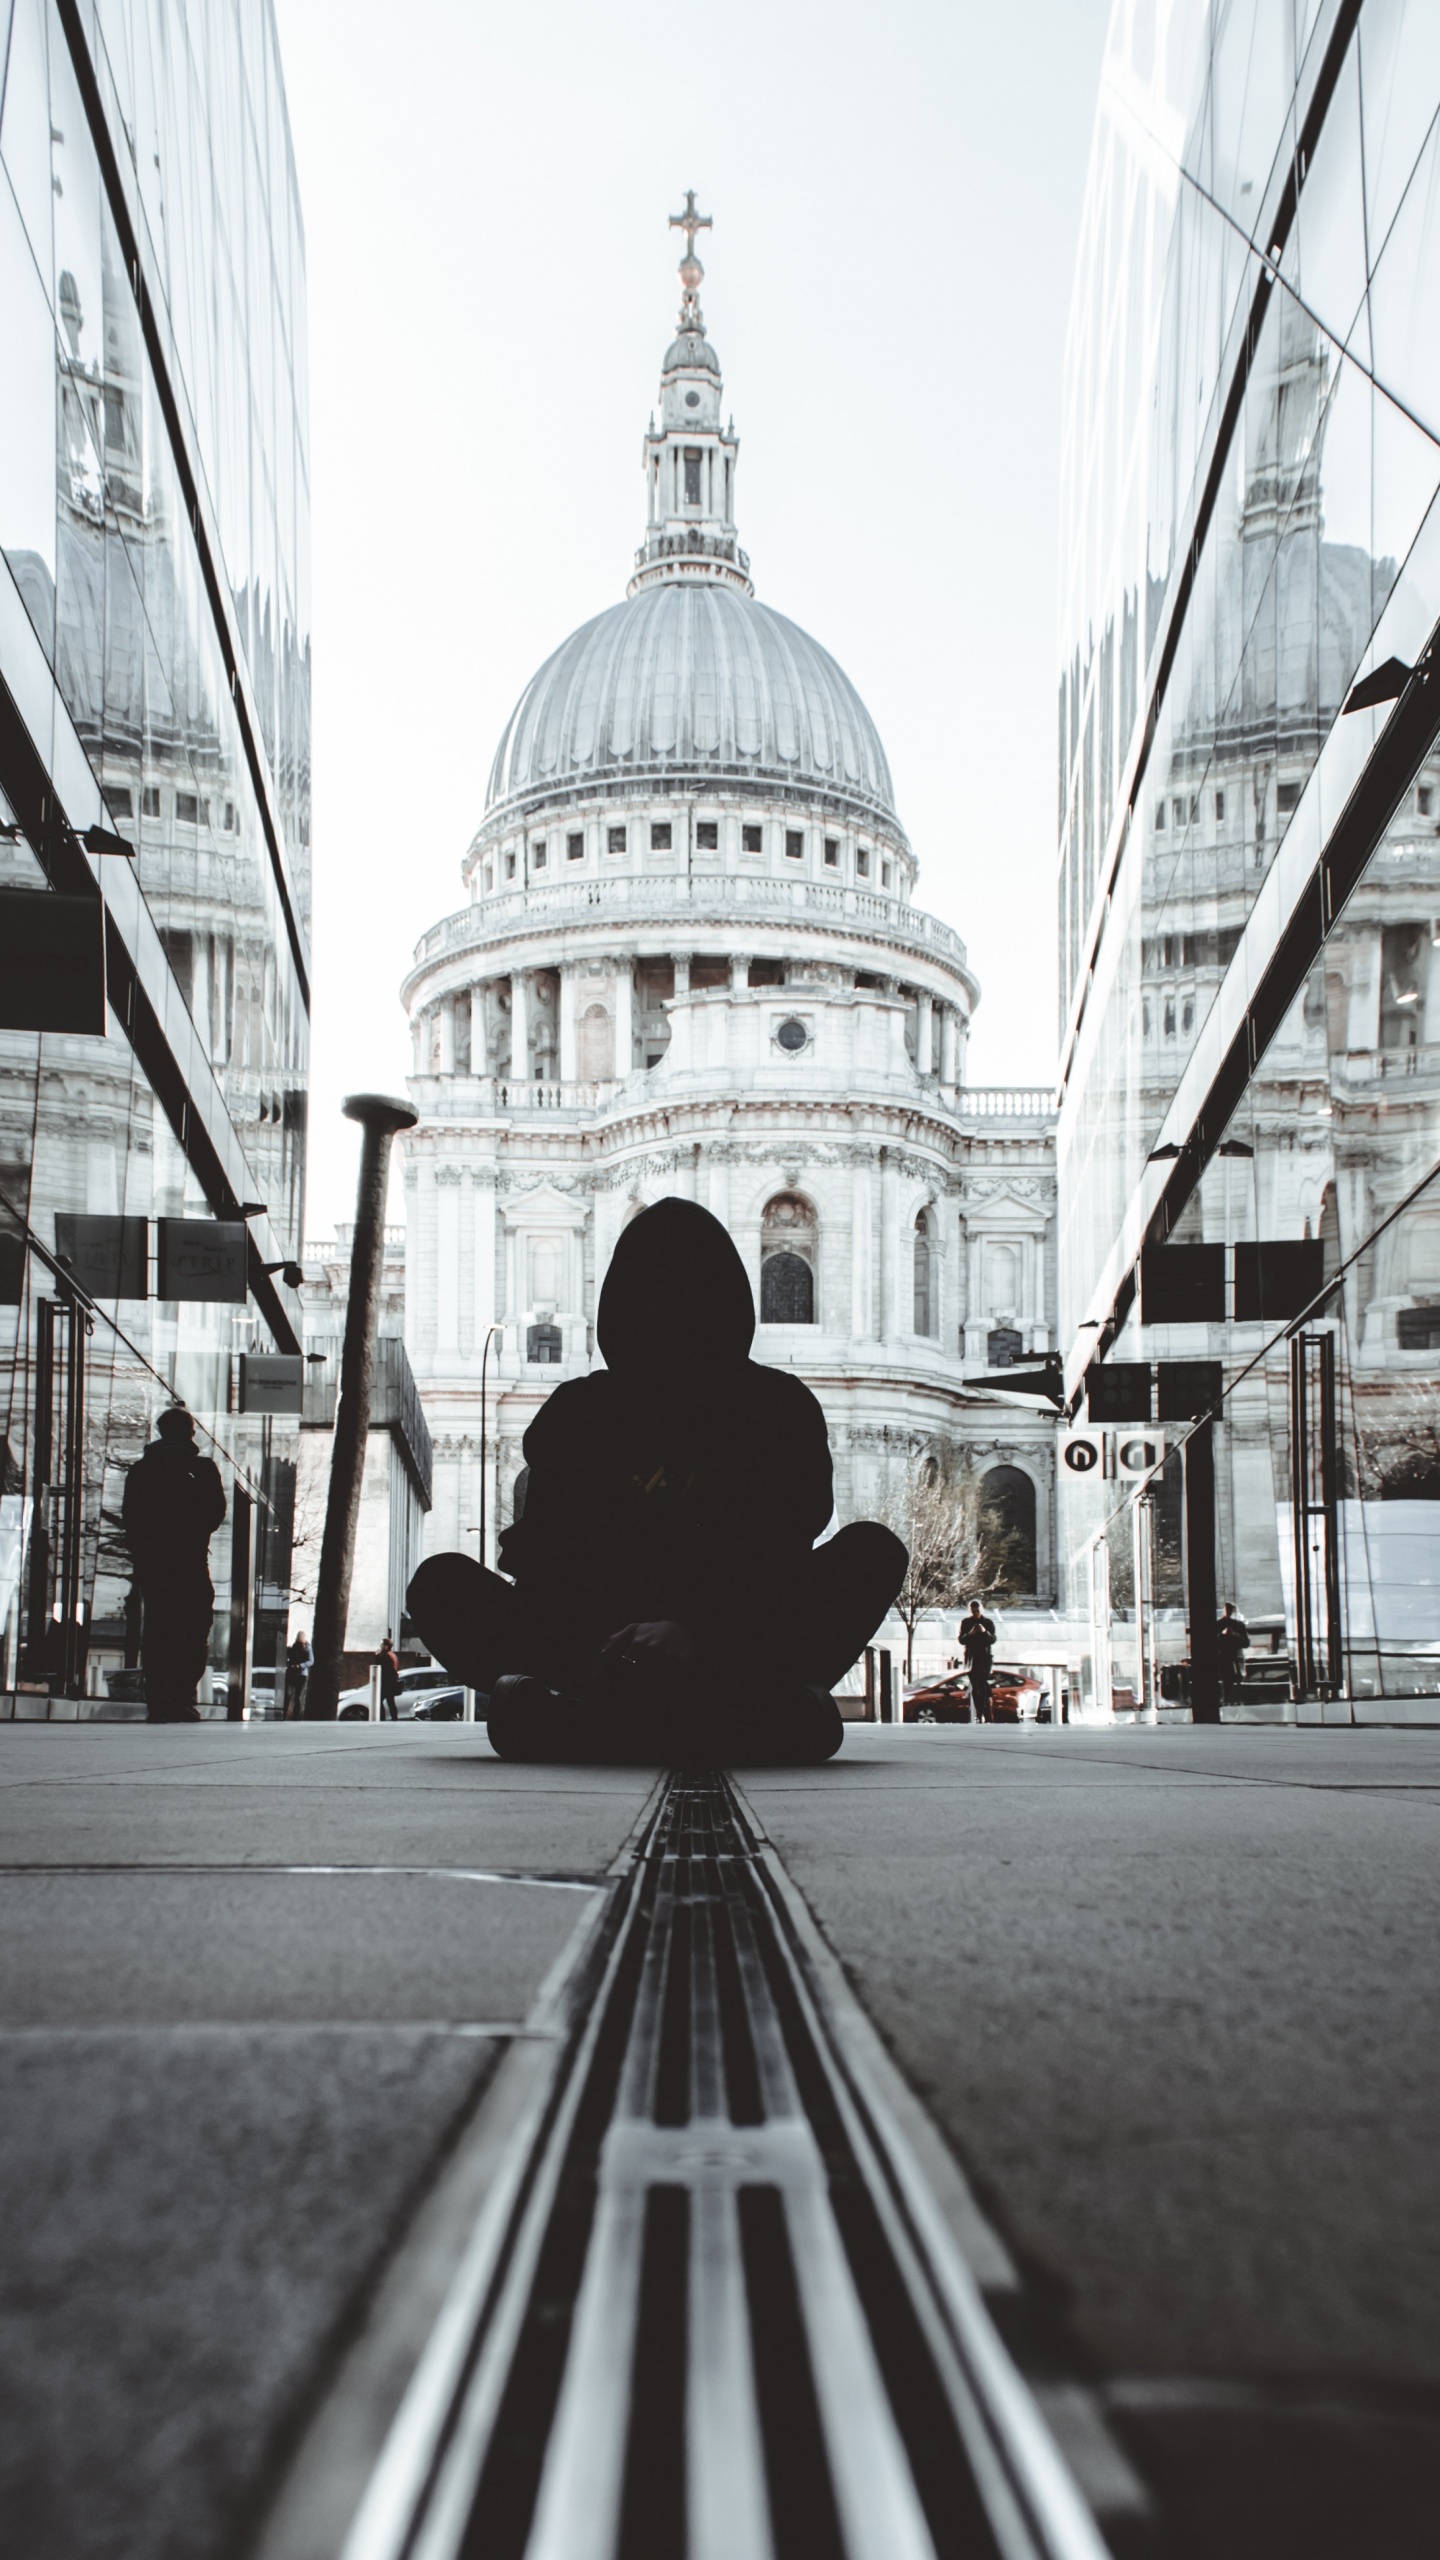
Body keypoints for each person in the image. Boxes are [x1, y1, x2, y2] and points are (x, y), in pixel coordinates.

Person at [407, 1197, 907, 1764]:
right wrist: (642, 1635)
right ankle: (744, 1723)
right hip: (673, 1658)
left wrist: (694, 1632)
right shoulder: (773, 1404)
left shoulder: (600, 1408)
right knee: (439, 1582)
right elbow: (550, 1556)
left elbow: (541, 1557)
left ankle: (586, 1724)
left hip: (671, 1653)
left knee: (872, 1550)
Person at [121, 1408, 227, 1723]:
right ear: (189, 1433)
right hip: (189, 1563)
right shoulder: (202, 1468)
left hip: (154, 1567)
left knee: (157, 1630)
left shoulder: (141, 1470)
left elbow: (131, 1517)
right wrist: (191, 1534)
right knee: (194, 1629)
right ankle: (181, 1696)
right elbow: (215, 1513)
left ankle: (159, 1699)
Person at [959, 1599, 997, 1722]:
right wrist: (971, 1633)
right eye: (973, 1611)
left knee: (983, 1686)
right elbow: (961, 1640)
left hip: (984, 1659)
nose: (976, 1613)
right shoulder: (966, 1622)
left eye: (977, 1611)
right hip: (972, 1659)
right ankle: (979, 1714)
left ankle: (981, 1713)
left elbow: (993, 1639)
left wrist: (984, 1631)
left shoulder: (988, 1622)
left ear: (981, 1610)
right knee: (975, 1687)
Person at [1217, 1603, 1250, 1706]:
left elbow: (1245, 1643)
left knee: (1230, 1685)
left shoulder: (1237, 1625)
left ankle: (1230, 1701)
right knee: (1230, 1685)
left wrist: (1233, 1636)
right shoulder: (1220, 1625)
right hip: (1227, 1661)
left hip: (1229, 1660)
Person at [284, 1630, 312, 1719]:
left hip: (301, 1674)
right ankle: (285, 1715)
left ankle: (295, 1717)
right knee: (289, 1695)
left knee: (298, 1697)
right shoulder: (293, 1647)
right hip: (294, 1673)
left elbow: (311, 1661)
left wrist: (300, 1666)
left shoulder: (308, 1647)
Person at [375, 1632, 402, 1720]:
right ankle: (394, 1718)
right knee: (390, 1702)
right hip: (391, 1682)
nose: (380, 1646)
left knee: (379, 1701)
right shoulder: (393, 1655)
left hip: (387, 1683)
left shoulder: (386, 1656)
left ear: (386, 1646)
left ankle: (382, 1718)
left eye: (381, 1644)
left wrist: (377, 1656)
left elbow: (379, 1666)